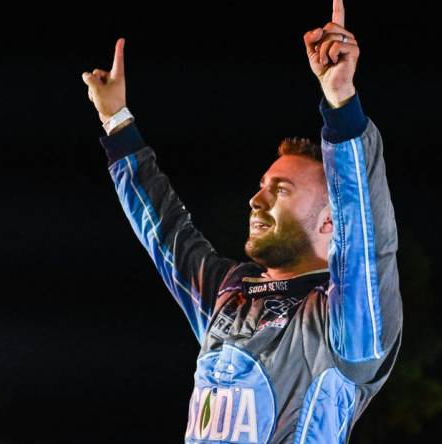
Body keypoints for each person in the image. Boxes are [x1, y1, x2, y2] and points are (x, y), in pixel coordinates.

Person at [81, 1, 402, 442]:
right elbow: (166, 232)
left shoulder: (345, 326)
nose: (256, 200)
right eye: (262, 186)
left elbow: (367, 236)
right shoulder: (229, 294)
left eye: (281, 190)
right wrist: (117, 122)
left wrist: (341, 104)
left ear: (330, 222)